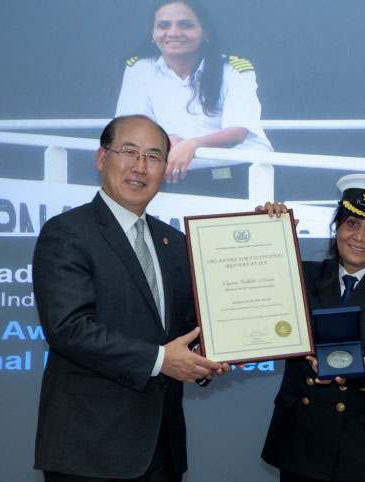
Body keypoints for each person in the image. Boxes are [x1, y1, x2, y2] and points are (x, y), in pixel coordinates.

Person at [32, 115, 229, 481]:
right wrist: (161, 360)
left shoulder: (174, 244)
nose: (141, 167)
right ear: (101, 158)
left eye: (154, 157)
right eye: (129, 152)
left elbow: (185, 330)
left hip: (162, 448)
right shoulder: (68, 233)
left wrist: (213, 353)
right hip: (89, 448)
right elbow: (69, 329)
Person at [260, 174, 365, 482]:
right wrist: (265, 233)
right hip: (302, 444)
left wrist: (359, 369)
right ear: (337, 228)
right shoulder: (299, 275)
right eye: (352, 224)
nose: (360, 237)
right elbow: (250, 290)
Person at [116, 0, 272, 185]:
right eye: (163, 25)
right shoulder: (140, 68)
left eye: (186, 25)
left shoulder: (234, 70)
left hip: (243, 174)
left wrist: (192, 144)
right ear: (153, 33)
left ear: (205, 31)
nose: (173, 32)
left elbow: (237, 132)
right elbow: (130, 126)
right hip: (178, 177)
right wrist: (162, 138)